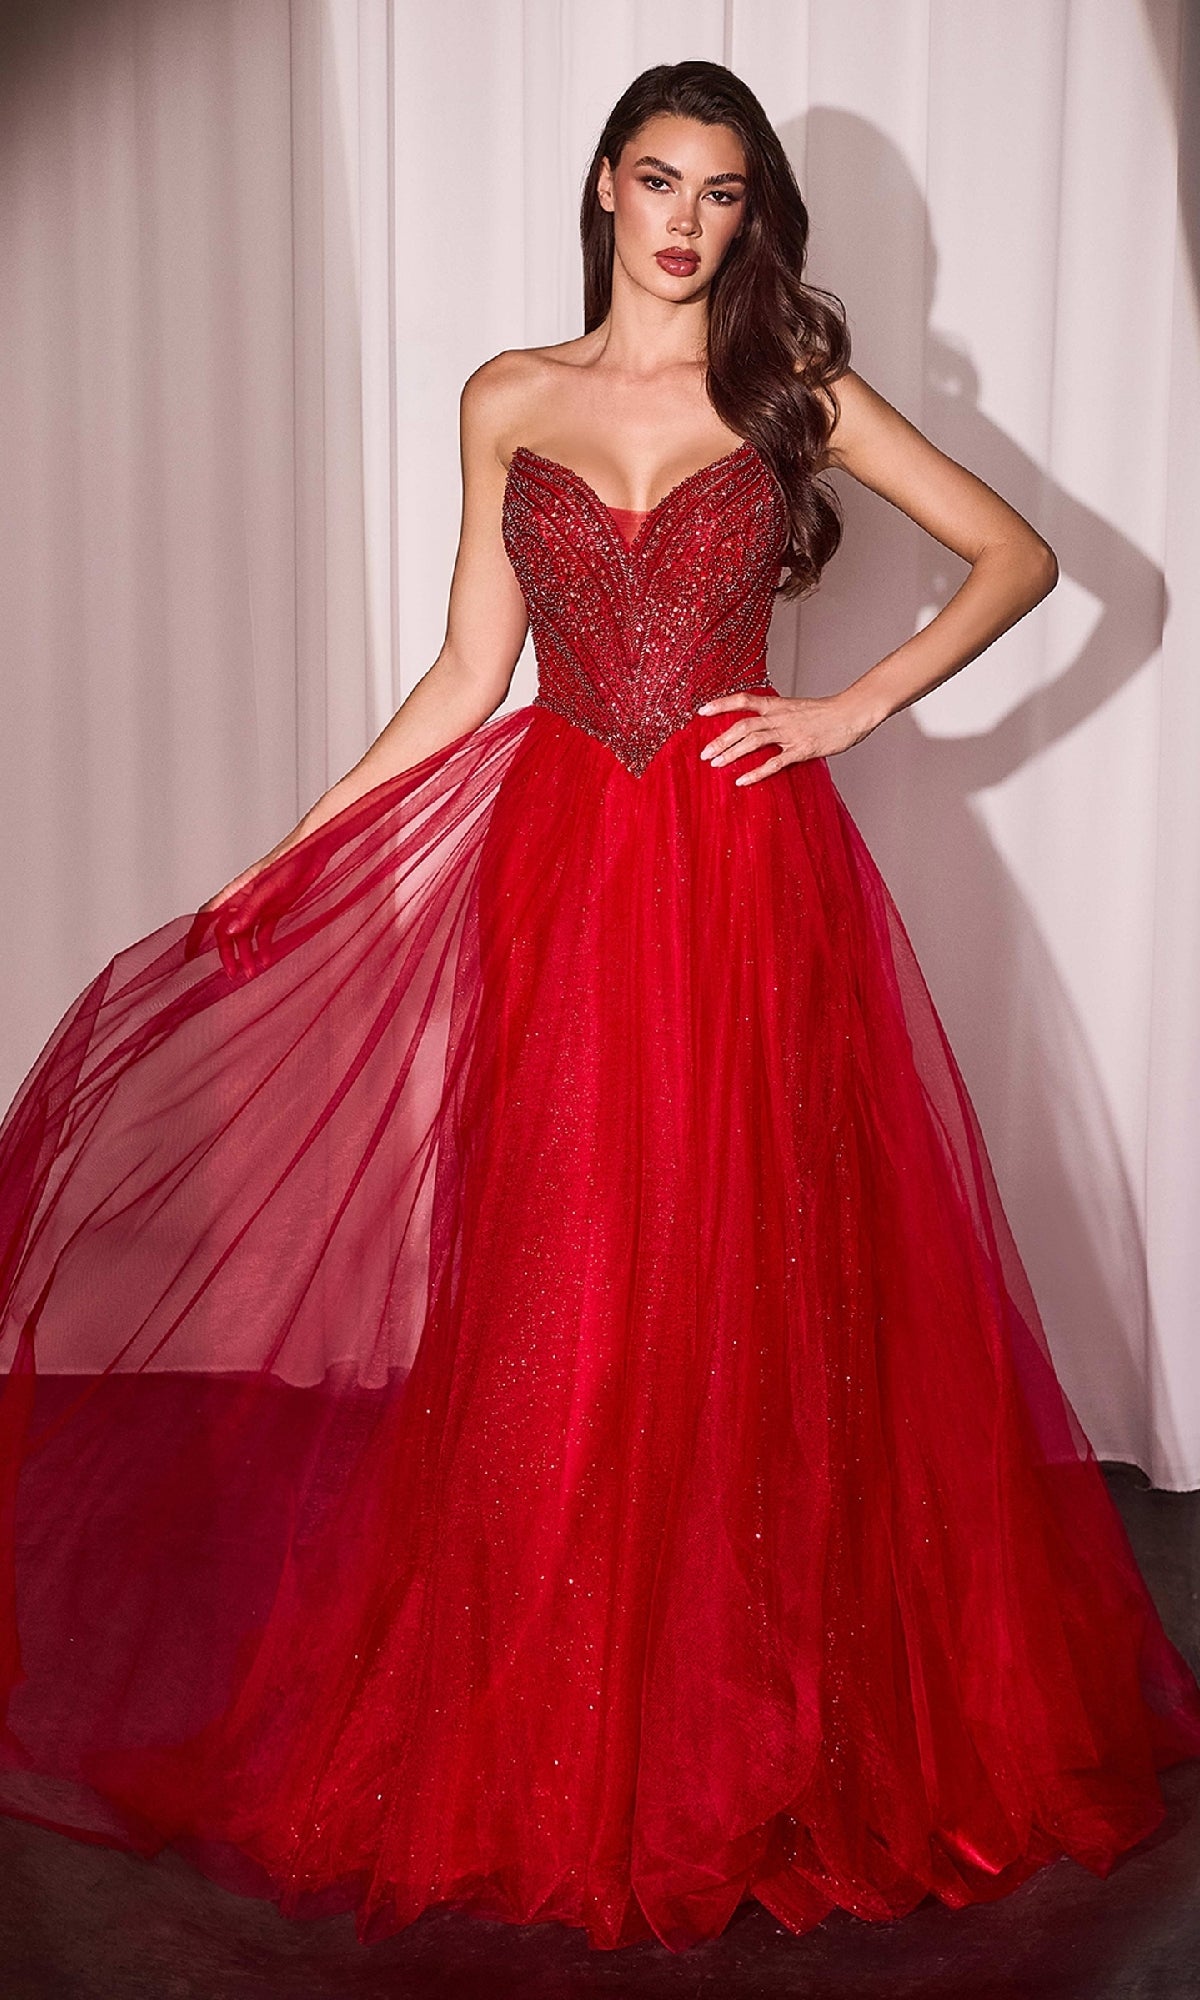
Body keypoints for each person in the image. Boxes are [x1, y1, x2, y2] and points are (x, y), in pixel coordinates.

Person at [0, 58, 1197, 1960]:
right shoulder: (509, 398)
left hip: (741, 887)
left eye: (723, 194)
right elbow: (472, 665)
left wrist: (844, 710)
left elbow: (1024, 559)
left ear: (749, 217)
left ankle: (745, 1718)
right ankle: (553, 1709)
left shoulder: (785, 390)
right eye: (660, 180)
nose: (688, 221)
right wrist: (300, 849)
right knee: (562, 1274)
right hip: (561, 875)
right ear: (606, 187)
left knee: (741, 1282)